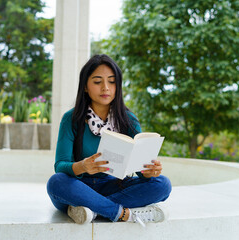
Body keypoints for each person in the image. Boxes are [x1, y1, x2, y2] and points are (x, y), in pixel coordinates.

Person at [46, 54, 172, 226]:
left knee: (163, 184)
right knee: (56, 182)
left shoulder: (128, 119)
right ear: (85, 86)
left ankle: (92, 210)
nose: (105, 87)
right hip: (78, 186)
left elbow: (140, 171)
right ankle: (120, 213)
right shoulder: (71, 119)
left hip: (114, 186)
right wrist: (82, 166)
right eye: (98, 82)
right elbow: (60, 165)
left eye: (112, 81)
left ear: (118, 86)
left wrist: (149, 172)